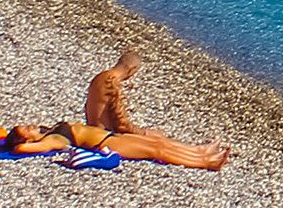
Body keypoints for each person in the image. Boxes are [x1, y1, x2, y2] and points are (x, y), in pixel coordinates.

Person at [81, 48, 232, 170]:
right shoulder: (111, 84)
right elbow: (122, 125)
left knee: (158, 142)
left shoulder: (101, 77)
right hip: (103, 141)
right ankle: (205, 162)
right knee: (157, 147)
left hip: (99, 135)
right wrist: (145, 133)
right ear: (132, 69)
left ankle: (201, 152)